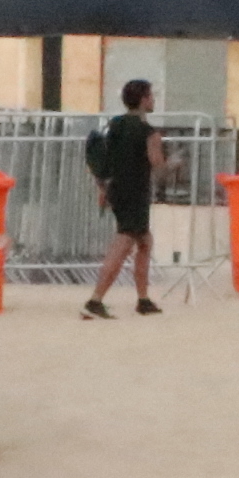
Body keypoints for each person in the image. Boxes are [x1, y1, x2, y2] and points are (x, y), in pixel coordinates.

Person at [84, 78, 166, 318]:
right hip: (136, 192)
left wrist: (103, 189)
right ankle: (95, 300)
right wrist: (175, 165)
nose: (153, 100)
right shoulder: (149, 133)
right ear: (143, 99)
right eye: (151, 96)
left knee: (144, 241)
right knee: (123, 244)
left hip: (117, 190)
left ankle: (143, 299)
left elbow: (105, 160)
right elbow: (158, 165)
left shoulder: (115, 125)